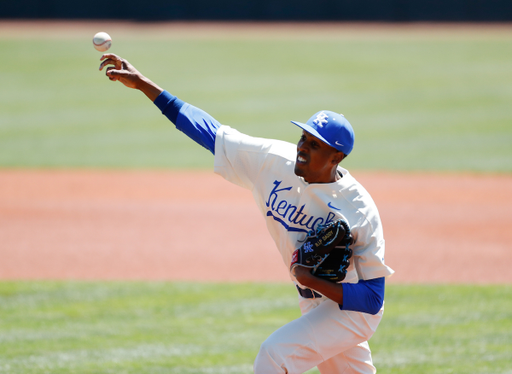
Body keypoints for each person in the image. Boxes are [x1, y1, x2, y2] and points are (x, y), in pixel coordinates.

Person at [99, 54, 394, 374]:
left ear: (336, 156)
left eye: (315, 144)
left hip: (350, 312)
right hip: (313, 303)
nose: (302, 147)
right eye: (303, 138)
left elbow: (372, 299)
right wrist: (143, 85)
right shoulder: (272, 161)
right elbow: (210, 133)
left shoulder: (359, 210)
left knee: (274, 356)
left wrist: (309, 278)